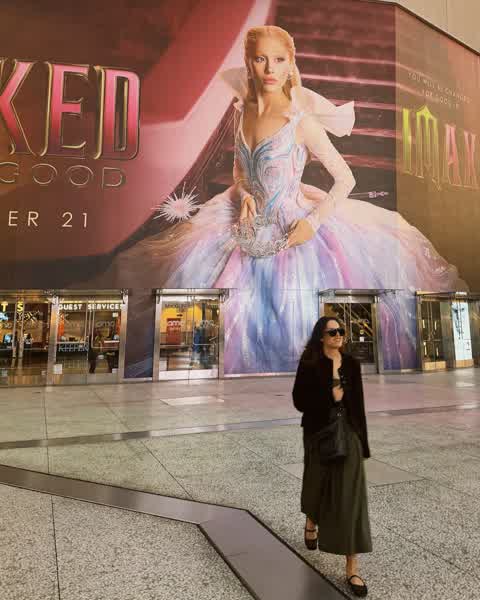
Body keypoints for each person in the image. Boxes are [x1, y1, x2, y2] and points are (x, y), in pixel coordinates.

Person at [114, 25, 465, 373]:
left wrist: (312, 223)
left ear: (290, 64)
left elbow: (346, 178)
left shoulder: (300, 122)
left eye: (279, 60)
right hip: (247, 222)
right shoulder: (242, 112)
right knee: (189, 272)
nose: (270, 69)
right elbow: (239, 172)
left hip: (294, 223)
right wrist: (245, 194)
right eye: (261, 59)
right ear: (248, 63)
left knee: (292, 305)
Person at [293, 316, 371, 597]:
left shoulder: (351, 364)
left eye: (341, 331)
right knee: (316, 485)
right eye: (332, 332)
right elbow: (299, 401)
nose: (338, 335)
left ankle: (352, 567)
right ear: (321, 337)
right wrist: (330, 397)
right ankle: (312, 519)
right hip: (319, 435)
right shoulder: (310, 363)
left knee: (351, 499)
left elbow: (359, 405)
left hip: (348, 435)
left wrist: (363, 443)